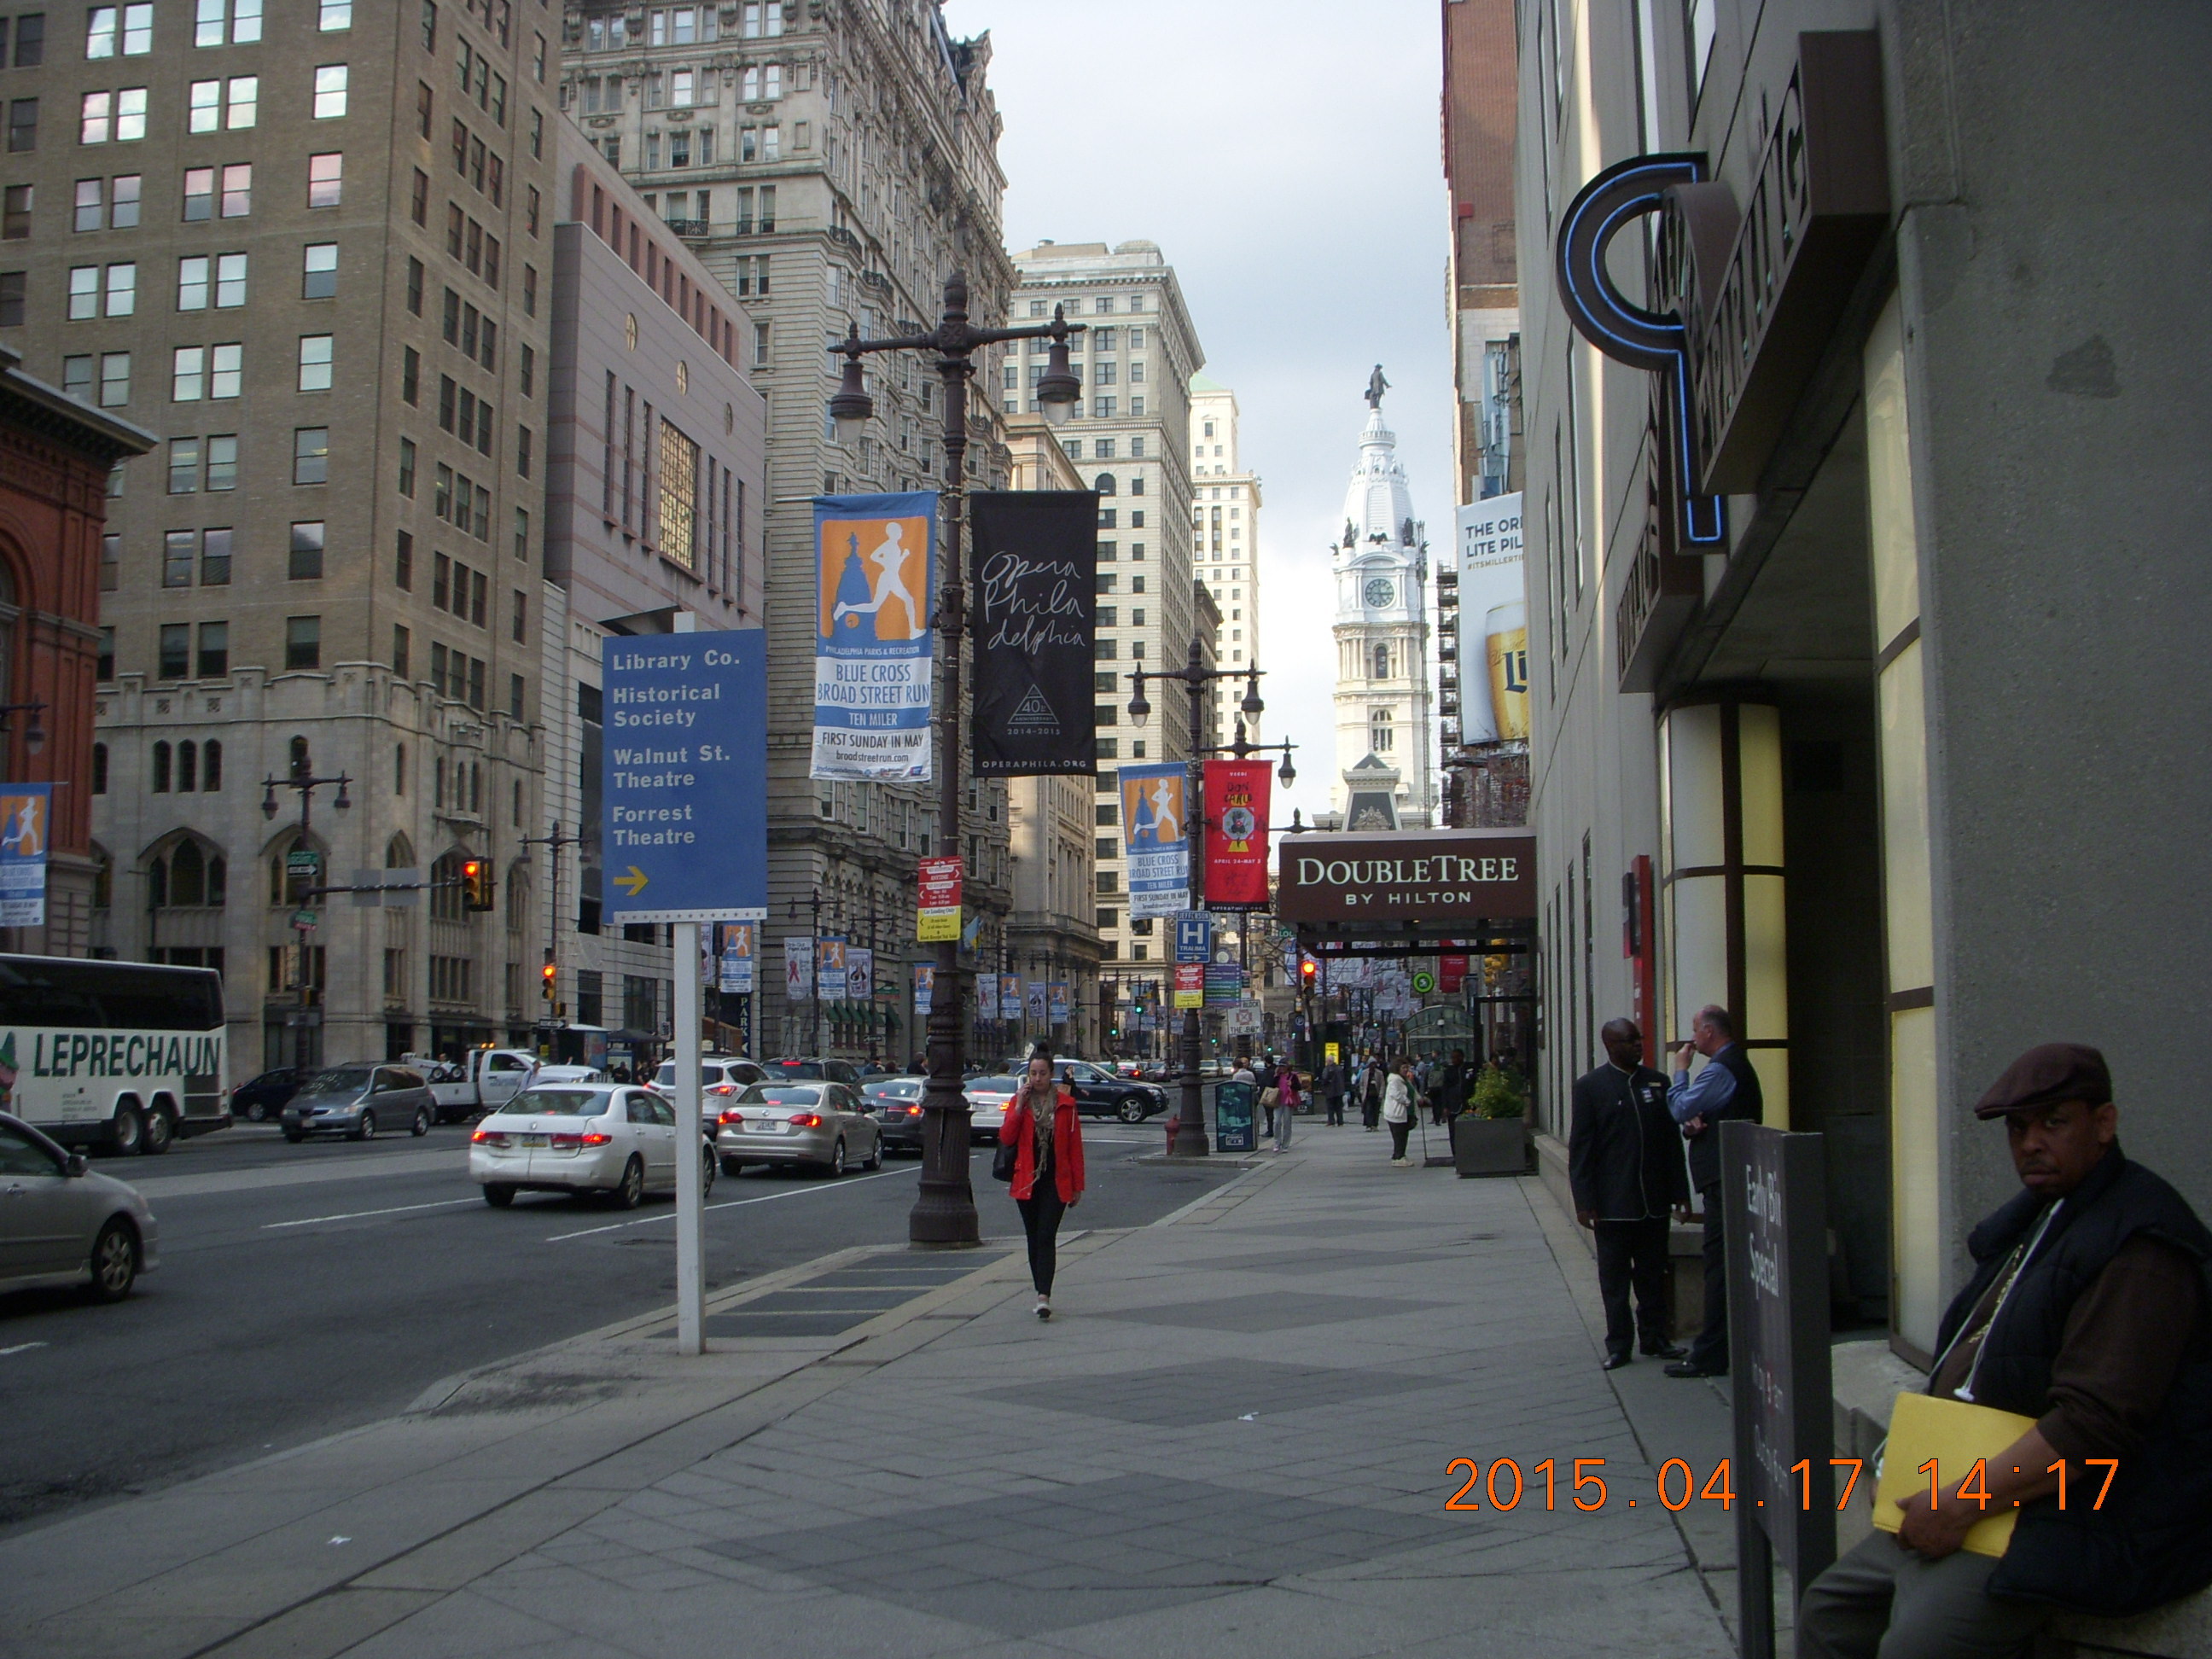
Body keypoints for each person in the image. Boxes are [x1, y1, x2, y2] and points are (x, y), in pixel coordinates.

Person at [1796, 1043, 2212, 1659]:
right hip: (1989, 1491)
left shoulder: (2141, 1245)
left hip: (2082, 1513)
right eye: (2018, 1128)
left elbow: (2093, 1426)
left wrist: (1960, 1504)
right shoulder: (2046, 1215)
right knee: (1828, 1614)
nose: (2030, 1144)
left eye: (2054, 1123)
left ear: (2104, 1123)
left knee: (1917, 1647)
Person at [1569, 1019, 1691, 1371]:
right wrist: (1584, 1201)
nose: (1637, 1044)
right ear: (1610, 1045)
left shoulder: (1658, 1082)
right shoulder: (1590, 1087)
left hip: (1653, 1202)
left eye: (1639, 1038)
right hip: (1613, 1204)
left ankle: (1655, 1338)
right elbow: (1582, 1148)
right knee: (1615, 1280)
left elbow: (1670, 1144)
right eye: (1629, 1040)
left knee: (1653, 1276)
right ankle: (1619, 1345)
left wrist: (1679, 1192)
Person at [1663, 1004, 1762, 1378]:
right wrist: (1695, 1127)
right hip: (1727, 1174)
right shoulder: (1731, 1065)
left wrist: (1681, 1070)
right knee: (1722, 1262)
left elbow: (1680, 1107)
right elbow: (1697, 1116)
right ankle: (1720, 1346)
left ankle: (1711, 1353)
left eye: (1695, 1029)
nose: (1692, 1038)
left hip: (1724, 1178)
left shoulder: (1721, 1068)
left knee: (1719, 1264)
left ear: (1708, 1031)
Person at [999, 1045, 1085, 1321]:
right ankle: (1040, 1290)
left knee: (1047, 1235)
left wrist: (1078, 1185)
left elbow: (1074, 1147)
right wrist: (1019, 1106)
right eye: (1033, 1073)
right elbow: (1007, 1137)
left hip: (1056, 1180)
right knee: (1033, 1237)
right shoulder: (1019, 1103)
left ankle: (1043, 1296)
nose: (1037, 1078)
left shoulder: (1065, 1105)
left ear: (1051, 1074)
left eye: (1042, 1073)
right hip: (1026, 1179)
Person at [1382, 1060, 1415, 1166]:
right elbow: (1395, 1094)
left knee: (1403, 1135)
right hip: (1396, 1112)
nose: (1406, 1070)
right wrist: (1406, 1101)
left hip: (1404, 1112)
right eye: (1403, 1068)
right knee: (1399, 1136)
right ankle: (1398, 1157)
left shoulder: (1404, 1080)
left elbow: (1412, 1091)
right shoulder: (1395, 1080)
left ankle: (1401, 1154)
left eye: (1407, 1067)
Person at [1270, 1066, 1297, 1152]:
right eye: (1280, 1066)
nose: (1282, 1068)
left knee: (1287, 1123)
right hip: (1278, 1102)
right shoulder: (1277, 1076)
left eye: (1283, 1066)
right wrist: (1275, 1076)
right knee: (1276, 1122)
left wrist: (1292, 1084)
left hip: (1288, 1102)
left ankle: (1285, 1145)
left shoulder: (1292, 1076)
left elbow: (1299, 1087)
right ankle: (1277, 1143)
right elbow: (1271, 1086)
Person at [1361, 1053, 1386, 1132]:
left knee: (1376, 1111)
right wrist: (1362, 1092)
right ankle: (1368, 1125)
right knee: (1368, 1110)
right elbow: (1362, 1084)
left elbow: (1382, 1084)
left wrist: (1381, 1095)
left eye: (1374, 1064)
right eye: (1371, 1064)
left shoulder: (1379, 1073)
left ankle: (1375, 1125)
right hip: (1368, 1095)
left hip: (1376, 1094)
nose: (1373, 1066)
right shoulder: (1364, 1073)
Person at [1320, 1057, 1347, 1126]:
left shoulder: (1327, 1069)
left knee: (1330, 1107)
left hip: (1330, 1090)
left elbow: (1325, 1078)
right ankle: (1340, 1122)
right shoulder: (1339, 1068)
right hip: (1339, 1091)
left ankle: (1331, 1121)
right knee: (1339, 1108)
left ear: (1329, 1061)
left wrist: (1323, 1085)